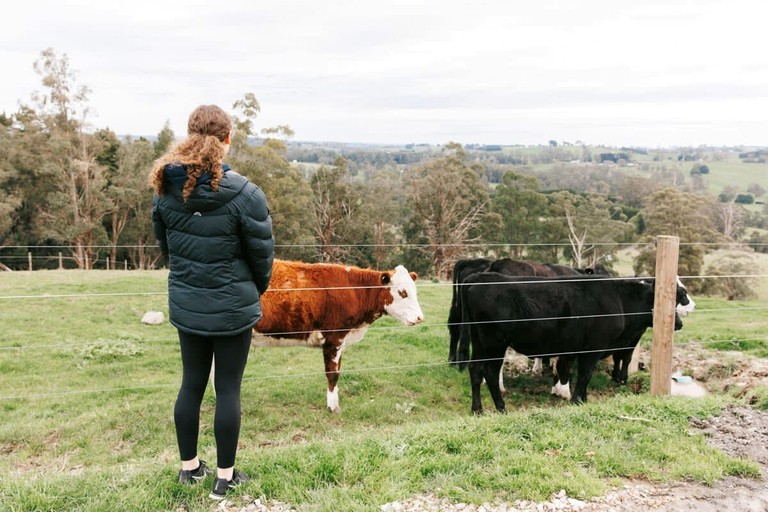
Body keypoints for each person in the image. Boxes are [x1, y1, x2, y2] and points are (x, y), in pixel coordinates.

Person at [149, 104, 274, 500]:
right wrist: (254, 290)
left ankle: (190, 470)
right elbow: (262, 257)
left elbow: (166, 248)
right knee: (229, 389)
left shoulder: (164, 190)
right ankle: (225, 477)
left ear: (188, 136)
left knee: (191, 384)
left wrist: (188, 277)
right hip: (233, 305)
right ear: (227, 140)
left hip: (187, 303)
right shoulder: (246, 194)